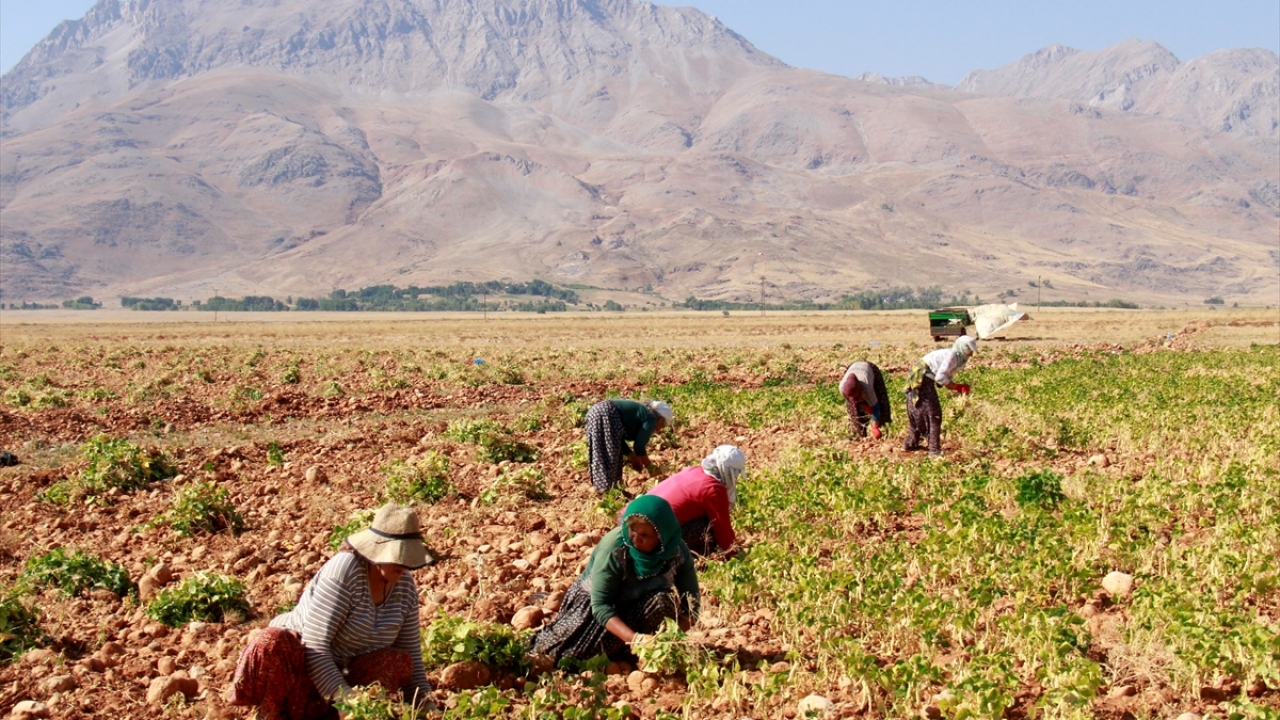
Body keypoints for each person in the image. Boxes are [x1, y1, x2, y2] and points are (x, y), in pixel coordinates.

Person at [226, 503, 436, 719]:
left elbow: (411, 655)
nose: (403, 563)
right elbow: (314, 646)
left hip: (344, 673)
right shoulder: (345, 572)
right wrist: (347, 701)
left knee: (398, 661)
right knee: (272, 641)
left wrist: (428, 708)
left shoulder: (405, 588)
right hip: (301, 668)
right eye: (396, 554)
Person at [532, 496, 698, 662]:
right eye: (632, 529)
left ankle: (628, 649)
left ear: (662, 536)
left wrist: (667, 640)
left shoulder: (677, 552)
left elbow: (692, 605)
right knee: (567, 659)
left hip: (638, 607)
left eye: (645, 535)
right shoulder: (615, 548)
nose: (636, 538)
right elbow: (600, 605)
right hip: (598, 610)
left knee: (663, 602)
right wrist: (635, 640)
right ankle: (623, 646)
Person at [647, 445, 745, 557]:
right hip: (652, 537)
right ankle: (683, 557)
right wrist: (736, 554)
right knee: (708, 527)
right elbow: (722, 530)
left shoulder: (694, 470)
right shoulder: (714, 489)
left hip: (634, 523)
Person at [903, 335, 977, 457]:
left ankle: (910, 444)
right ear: (963, 349)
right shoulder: (952, 356)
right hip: (922, 379)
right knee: (933, 414)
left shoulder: (954, 355)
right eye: (969, 351)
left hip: (920, 377)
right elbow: (940, 378)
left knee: (918, 411)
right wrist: (958, 387)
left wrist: (955, 388)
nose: (971, 355)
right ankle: (934, 450)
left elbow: (943, 378)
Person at [584, 399, 673, 494]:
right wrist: (650, 467)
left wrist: (632, 456)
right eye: (662, 426)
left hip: (594, 412)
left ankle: (606, 489)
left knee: (600, 453)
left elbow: (618, 440)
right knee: (611, 456)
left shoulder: (641, 414)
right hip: (607, 414)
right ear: (661, 419)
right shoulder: (651, 418)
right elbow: (639, 446)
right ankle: (607, 490)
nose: (658, 430)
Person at [839, 361, 891, 440]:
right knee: (855, 412)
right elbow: (853, 402)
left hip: (869, 369)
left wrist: (875, 427)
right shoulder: (842, 389)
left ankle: (883, 429)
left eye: (859, 396)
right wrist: (864, 406)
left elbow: (876, 407)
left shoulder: (867, 387)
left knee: (882, 404)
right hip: (854, 367)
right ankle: (860, 435)